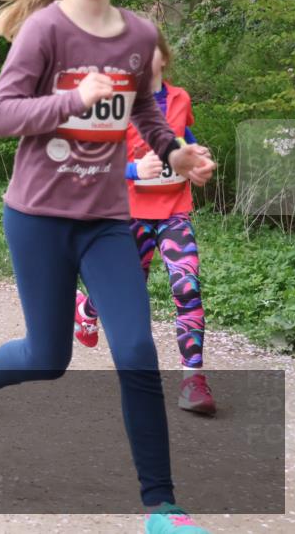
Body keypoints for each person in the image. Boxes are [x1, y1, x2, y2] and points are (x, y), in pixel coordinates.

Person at [0, 0, 216, 534]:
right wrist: (71, 101)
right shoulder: (46, 31)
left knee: (136, 349)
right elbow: (0, 116)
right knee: (49, 357)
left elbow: (145, 110)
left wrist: (175, 154)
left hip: (106, 221)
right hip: (37, 217)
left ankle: (163, 507)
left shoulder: (139, 35)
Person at [74, 30, 215, 415]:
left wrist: (198, 163)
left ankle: (193, 379)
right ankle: (88, 308)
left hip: (173, 212)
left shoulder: (180, 98)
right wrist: (135, 169)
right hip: (129, 214)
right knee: (125, 292)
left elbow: (185, 140)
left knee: (187, 286)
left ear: (162, 57)